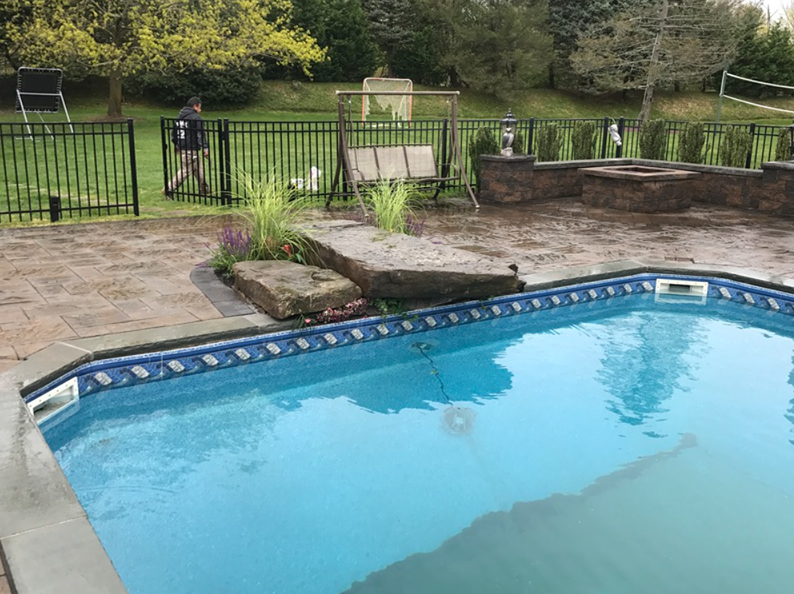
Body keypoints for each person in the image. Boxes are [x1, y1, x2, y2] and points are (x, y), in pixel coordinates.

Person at [163, 97, 210, 198]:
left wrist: (177, 145)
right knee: (186, 170)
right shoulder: (195, 118)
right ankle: (169, 188)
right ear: (194, 106)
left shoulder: (179, 117)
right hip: (191, 148)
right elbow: (200, 134)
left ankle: (204, 189)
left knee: (198, 168)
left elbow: (173, 134)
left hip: (183, 148)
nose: (200, 110)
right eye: (199, 108)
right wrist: (205, 148)